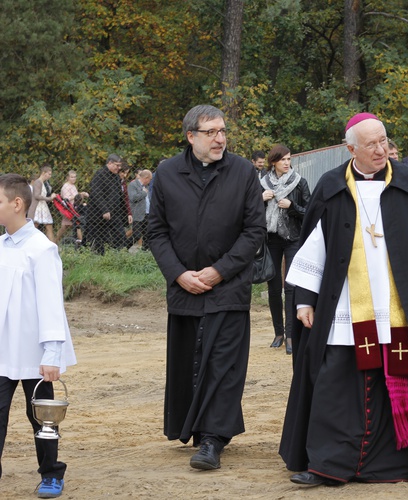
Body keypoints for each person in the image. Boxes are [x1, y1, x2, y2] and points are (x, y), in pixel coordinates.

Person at [279, 112, 408, 486]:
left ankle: (388, 464)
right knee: (334, 381)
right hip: (344, 307)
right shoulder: (331, 186)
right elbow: (314, 247)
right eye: (371, 144)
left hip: (397, 310)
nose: (381, 150)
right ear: (350, 148)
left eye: (384, 141)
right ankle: (328, 463)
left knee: (394, 382)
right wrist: (305, 300)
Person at [148, 104, 266, 471]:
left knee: (223, 364)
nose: (220, 139)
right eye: (211, 132)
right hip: (184, 288)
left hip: (228, 287)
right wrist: (178, 274)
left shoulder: (243, 171)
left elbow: (254, 232)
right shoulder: (167, 173)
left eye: (223, 131)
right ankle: (194, 428)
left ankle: (213, 439)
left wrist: (218, 271)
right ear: (191, 137)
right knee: (189, 362)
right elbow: (156, 231)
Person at [0, 173, 77, 499]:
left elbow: (50, 305)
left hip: (35, 353)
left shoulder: (42, 249)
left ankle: (50, 474)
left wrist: (51, 354)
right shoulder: (1, 247)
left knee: (43, 419)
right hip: (4, 351)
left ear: (17, 204)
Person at [260, 144, 311, 354]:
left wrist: (292, 207)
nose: (287, 163)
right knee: (274, 288)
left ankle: (291, 335)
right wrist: (259, 200)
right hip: (271, 238)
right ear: (274, 162)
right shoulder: (262, 184)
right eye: (283, 160)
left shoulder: (299, 183)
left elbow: (309, 210)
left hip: (293, 238)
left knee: (291, 287)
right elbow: (248, 210)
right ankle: (278, 333)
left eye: (289, 159)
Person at [87, 154, 126, 254]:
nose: (119, 168)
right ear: (110, 163)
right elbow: (96, 194)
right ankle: (99, 259)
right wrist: (104, 210)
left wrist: (126, 213)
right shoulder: (100, 175)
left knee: (120, 235)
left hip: (114, 212)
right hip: (99, 214)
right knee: (99, 238)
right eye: (117, 165)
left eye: (120, 166)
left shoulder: (116, 177)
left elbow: (120, 195)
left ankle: (118, 256)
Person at [54, 171, 87, 245]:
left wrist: (81, 196)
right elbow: (66, 199)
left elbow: (76, 198)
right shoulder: (66, 186)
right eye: (72, 177)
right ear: (67, 178)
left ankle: (55, 241)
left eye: (75, 177)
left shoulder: (73, 186)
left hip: (74, 209)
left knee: (67, 226)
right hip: (68, 209)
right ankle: (82, 243)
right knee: (75, 224)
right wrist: (79, 194)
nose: (74, 178)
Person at [28, 165, 56, 241]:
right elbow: (37, 196)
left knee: (49, 226)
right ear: (44, 173)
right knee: (33, 227)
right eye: (49, 174)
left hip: (43, 207)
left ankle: (53, 247)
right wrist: (50, 198)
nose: (50, 176)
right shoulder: (38, 182)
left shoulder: (43, 183)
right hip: (37, 207)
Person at [127, 169, 152, 251]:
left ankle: (145, 252)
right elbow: (133, 197)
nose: (150, 181)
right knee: (137, 235)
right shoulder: (133, 185)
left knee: (147, 234)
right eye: (150, 179)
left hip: (147, 213)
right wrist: (143, 193)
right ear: (146, 178)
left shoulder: (146, 186)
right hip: (138, 214)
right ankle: (124, 247)